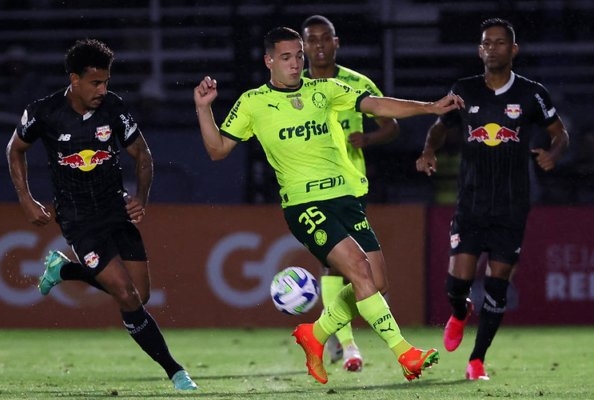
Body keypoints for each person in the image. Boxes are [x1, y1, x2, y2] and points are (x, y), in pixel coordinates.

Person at [194, 26, 463, 384]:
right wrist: (203, 109)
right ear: (269, 60)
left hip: (345, 199)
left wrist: (428, 107)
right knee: (359, 270)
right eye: (286, 57)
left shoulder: (325, 90)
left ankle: (316, 335)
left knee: (378, 281)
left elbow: (376, 105)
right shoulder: (253, 102)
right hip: (305, 204)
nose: (295, 64)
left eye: (298, 56)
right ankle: (405, 353)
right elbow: (217, 150)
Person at [6, 38, 197, 391]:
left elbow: (142, 154)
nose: (102, 89)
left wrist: (142, 197)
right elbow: (14, 149)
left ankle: (63, 269)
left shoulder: (113, 108)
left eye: (106, 81)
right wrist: (26, 199)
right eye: (95, 82)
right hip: (78, 219)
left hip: (116, 208)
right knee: (126, 295)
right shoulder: (43, 112)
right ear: (74, 79)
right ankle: (175, 371)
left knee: (141, 295)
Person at [415, 18, 569, 380]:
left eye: (501, 43)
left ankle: (477, 360)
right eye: (487, 43)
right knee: (457, 285)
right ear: (479, 49)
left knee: (498, 286)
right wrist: (428, 150)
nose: (493, 48)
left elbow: (559, 133)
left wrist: (554, 154)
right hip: (470, 202)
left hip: (512, 205)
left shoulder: (532, 93)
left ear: (513, 50)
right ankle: (459, 311)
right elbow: (439, 125)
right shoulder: (464, 90)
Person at [300, 14, 400, 372]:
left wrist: (369, 138)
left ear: (336, 42)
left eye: (325, 39)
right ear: (303, 46)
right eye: (311, 40)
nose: (319, 46)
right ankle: (348, 345)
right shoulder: (294, 87)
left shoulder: (357, 83)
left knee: (368, 277)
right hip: (312, 189)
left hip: (352, 187)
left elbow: (390, 125)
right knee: (331, 264)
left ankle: (327, 335)